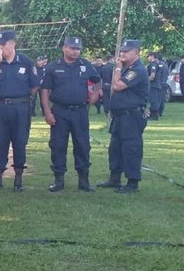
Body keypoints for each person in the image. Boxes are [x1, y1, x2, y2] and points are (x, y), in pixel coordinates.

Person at [41, 37, 101, 192]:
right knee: (58, 145)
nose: (76, 51)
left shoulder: (85, 65)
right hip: (60, 111)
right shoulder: (53, 67)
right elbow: (45, 90)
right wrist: (47, 112)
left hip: (80, 111)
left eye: (78, 49)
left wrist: (95, 94)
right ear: (64, 48)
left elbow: (97, 80)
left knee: (82, 145)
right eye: (72, 48)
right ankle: (59, 180)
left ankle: (83, 180)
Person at [0, 29, 39, 192]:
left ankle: (18, 178)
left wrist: (23, 99)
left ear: (12, 44)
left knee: (20, 142)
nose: (0, 48)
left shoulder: (26, 62)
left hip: (20, 108)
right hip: (0, 107)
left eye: (3, 45)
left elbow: (35, 85)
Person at [97, 39, 149, 193]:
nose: (122, 54)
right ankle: (115, 178)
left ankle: (133, 182)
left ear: (136, 53)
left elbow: (117, 86)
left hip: (131, 116)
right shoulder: (127, 69)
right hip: (119, 116)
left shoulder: (137, 70)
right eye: (122, 51)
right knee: (115, 148)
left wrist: (118, 69)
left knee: (131, 149)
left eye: (126, 51)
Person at [146, 52, 161, 120]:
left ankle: (154, 115)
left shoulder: (153, 65)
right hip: (155, 85)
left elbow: (152, 76)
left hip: (153, 85)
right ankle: (153, 114)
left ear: (152, 56)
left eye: (148, 56)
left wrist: (145, 81)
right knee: (153, 100)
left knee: (153, 100)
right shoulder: (155, 64)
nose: (148, 58)